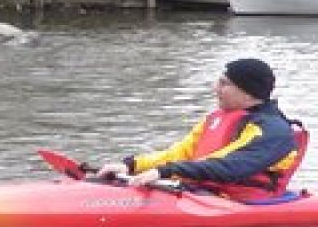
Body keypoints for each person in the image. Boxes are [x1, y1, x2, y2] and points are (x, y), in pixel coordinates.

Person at [92, 58, 303, 201]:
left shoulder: (274, 132)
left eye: (224, 84)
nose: (215, 89)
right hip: (204, 193)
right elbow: (178, 154)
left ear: (248, 93)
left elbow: (229, 167)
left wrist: (166, 172)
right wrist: (131, 166)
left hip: (243, 202)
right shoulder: (216, 119)